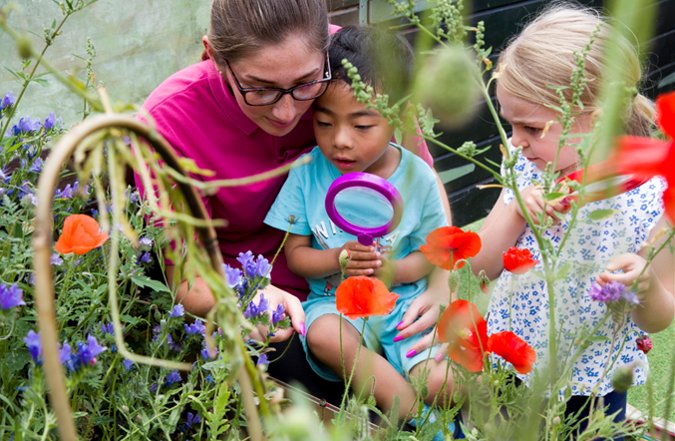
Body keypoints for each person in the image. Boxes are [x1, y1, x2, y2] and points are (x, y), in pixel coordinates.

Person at [138, 0, 450, 405]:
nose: (288, 112)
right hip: (281, 313)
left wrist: (442, 280)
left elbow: (420, 174)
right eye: (260, 89)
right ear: (214, 57)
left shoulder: (351, 66)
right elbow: (187, 277)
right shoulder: (169, 123)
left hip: (382, 285)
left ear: (326, 45)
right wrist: (248, 295)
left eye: (306, 84)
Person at [471, 5, 666, 440]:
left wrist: (646, 285)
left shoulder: (652, 196)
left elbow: (659, 319)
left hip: (596, 385)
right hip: (512, 363)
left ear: (595, 119)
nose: (516, 142)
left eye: (532, 127)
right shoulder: (526, 169)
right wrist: (517, 207)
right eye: (510, 124)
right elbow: (479, 265)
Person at [264, 26, 461, 436]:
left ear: (400, 118)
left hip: (402, 304)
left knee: (443, 383)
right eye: (323, 122)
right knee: (322, 336)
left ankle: (450, 407)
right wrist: (336, 259)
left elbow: (436, 251)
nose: (340, 141)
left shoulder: (418, 178)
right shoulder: (306, 172)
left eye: (362, 126)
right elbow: (296, 255)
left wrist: (394, 269)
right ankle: (423, 425)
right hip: (335, 303)